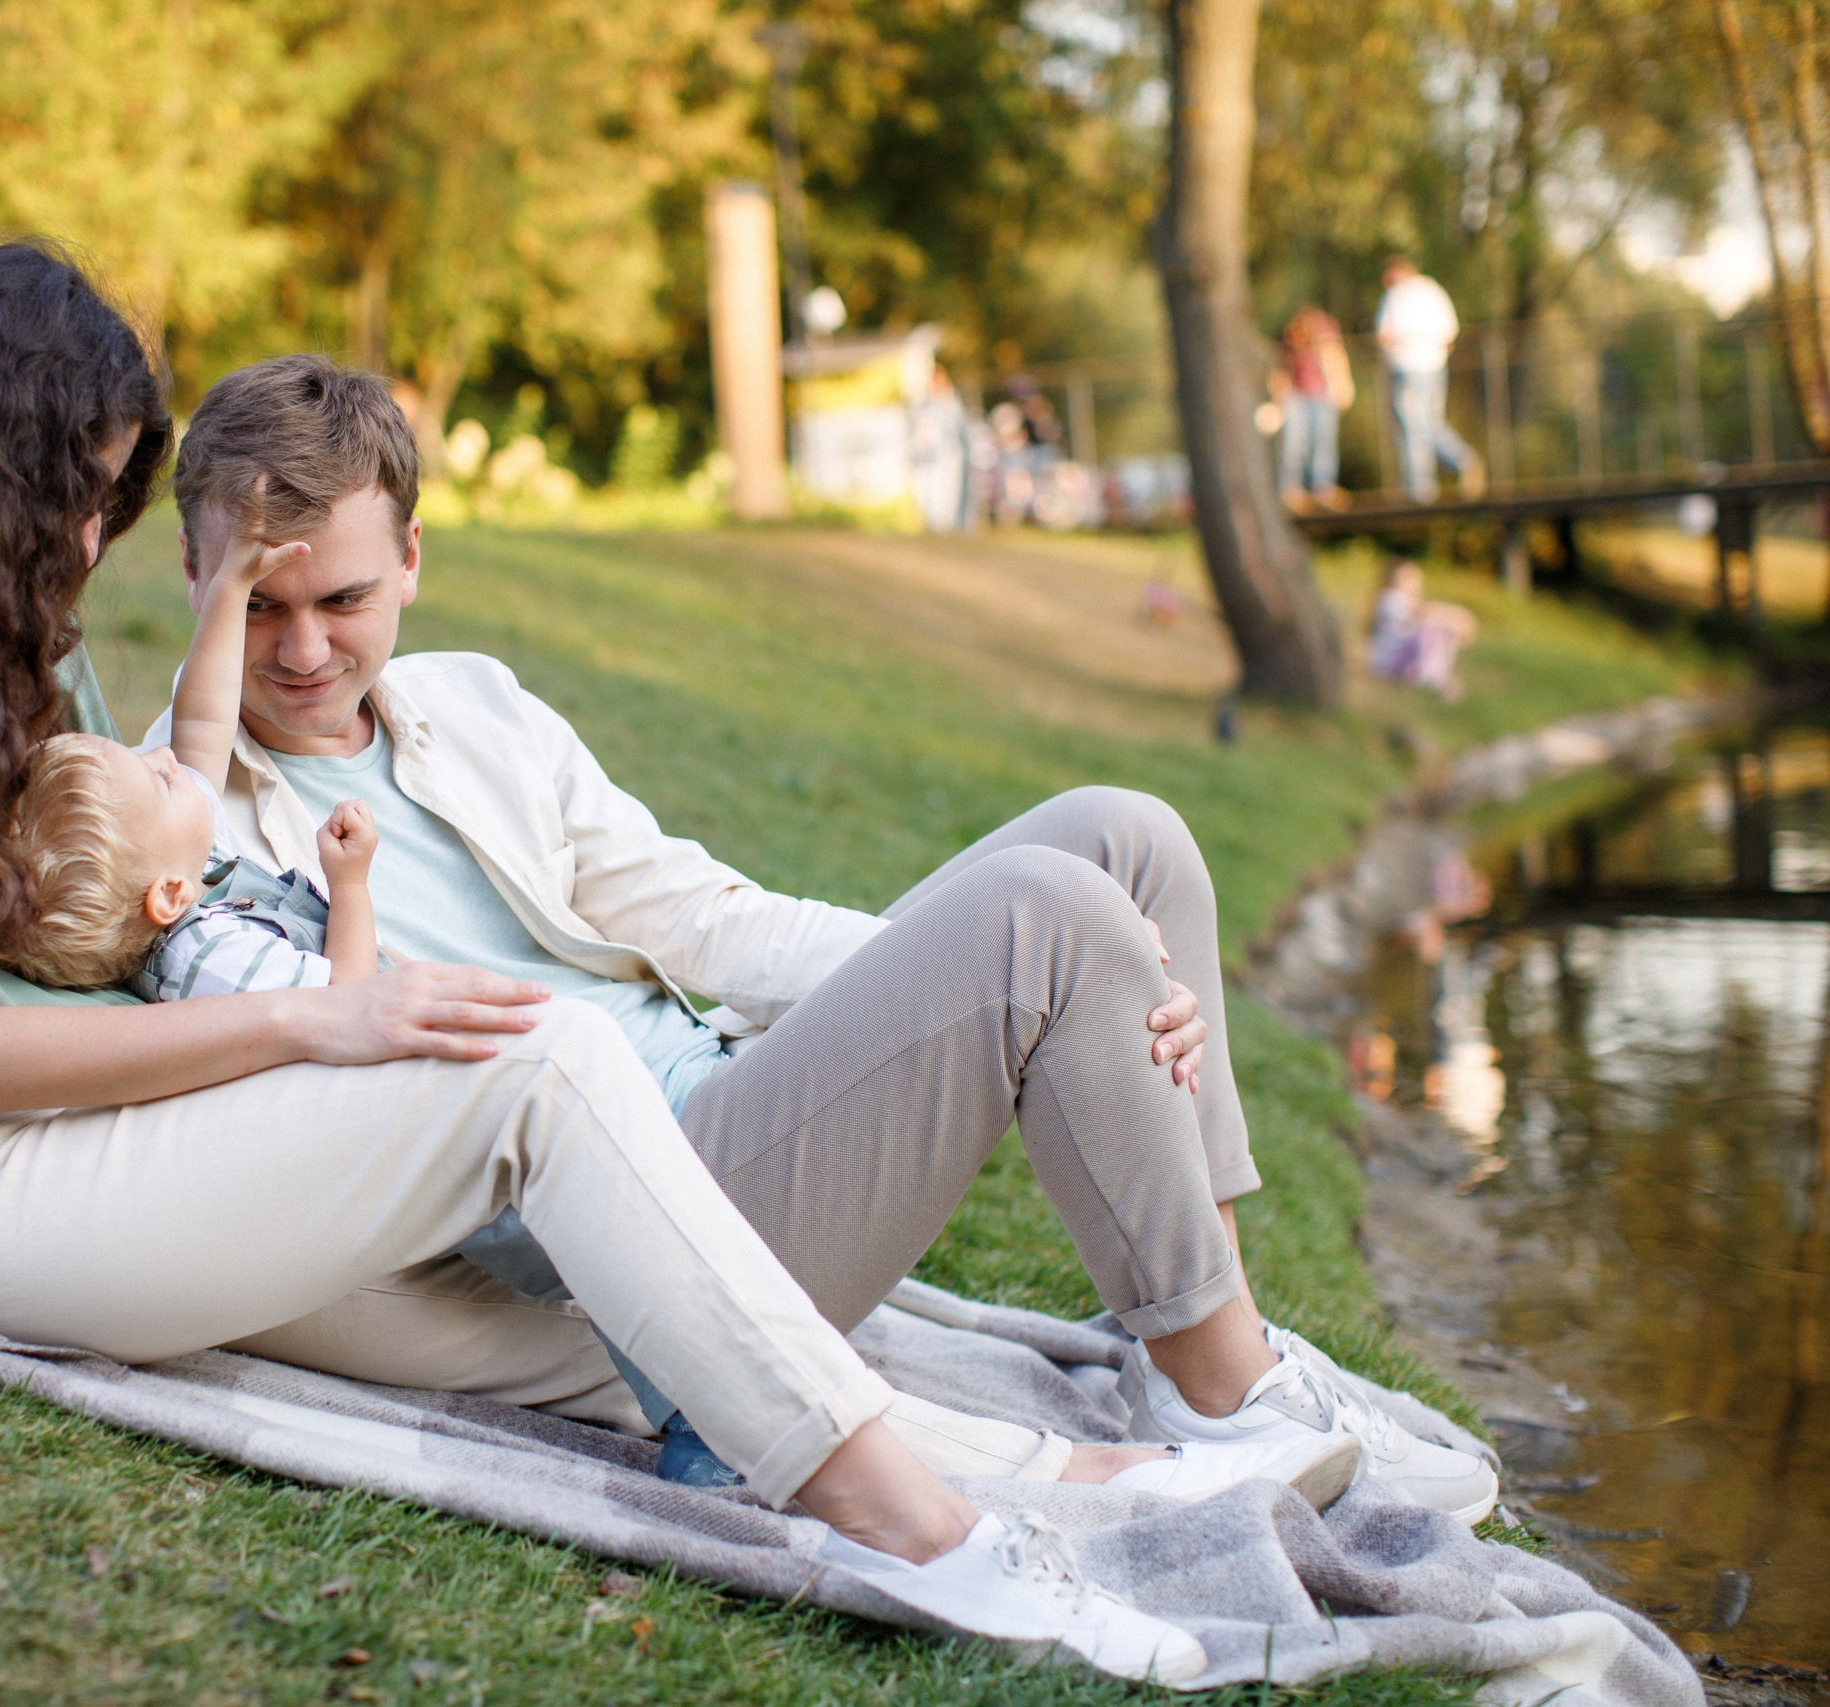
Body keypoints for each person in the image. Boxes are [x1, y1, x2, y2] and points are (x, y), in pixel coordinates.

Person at [0, 245, 1442, 1679]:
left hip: (128, 1128)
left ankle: (1080, 1417)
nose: (87, 536)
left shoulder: (31, 664)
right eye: (75, 495)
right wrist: (318, 1005)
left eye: (109, 497)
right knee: (541, 1054)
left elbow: (663, 902)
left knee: (1084, 861)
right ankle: (921, 1523)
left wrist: (1038, 986)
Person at [149, 352, 1497, 1526]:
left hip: (737, 1107)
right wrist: (1028, 957)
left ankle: (1202, 1348)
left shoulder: (473, 706)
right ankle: (1229, 1397)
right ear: (196, 575)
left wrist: (1005, 968)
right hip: (628, 1226)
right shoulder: (170, 819)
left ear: (416, 563)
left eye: (346, 599)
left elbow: (701, 915)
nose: (309, 649)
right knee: (1052, 918)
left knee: (1120, 840)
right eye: (259, 605)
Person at [0, 528, 381, 999]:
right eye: (159, 780)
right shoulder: (214, 961)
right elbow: (350, 999)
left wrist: (231, 588)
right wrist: (349, 884)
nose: (163, 755)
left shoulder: (177, 860)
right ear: (169, 895)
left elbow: (203, 720)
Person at [1374, 258, 1483, 505]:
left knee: (1412, 426)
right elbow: (1450, 334)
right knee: (1429, 421)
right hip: (1435, 367)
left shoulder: (1396, 295)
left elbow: (1384, 335)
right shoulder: (1435, 292)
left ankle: (1422, 488)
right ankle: (1461, 461)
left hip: (1406, 368)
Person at [1276, 305, 1353, 512]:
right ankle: (1292, 489)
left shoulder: (1325, 337)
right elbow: (1282, 370)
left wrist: (1342, 387)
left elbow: (1337, 361)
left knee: (1323, 442)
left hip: (1322, 394)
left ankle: (1323, 488)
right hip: (1297, 396)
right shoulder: (1291, 343)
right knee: (1294, 445)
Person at [1367, 559, 1478, 699]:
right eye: (1406, 577)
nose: (1410, 582)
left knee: (1441, 629)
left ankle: (1436, 676)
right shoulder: (1390, 598)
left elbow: (1421, 614)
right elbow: (1421, 613)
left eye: (1413, 578)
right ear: (1393, 578)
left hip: (1398, 661)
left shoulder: (1403, 601)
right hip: (1388, 662)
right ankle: (1434, 677)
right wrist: (1461, 615)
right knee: (1431, 630)